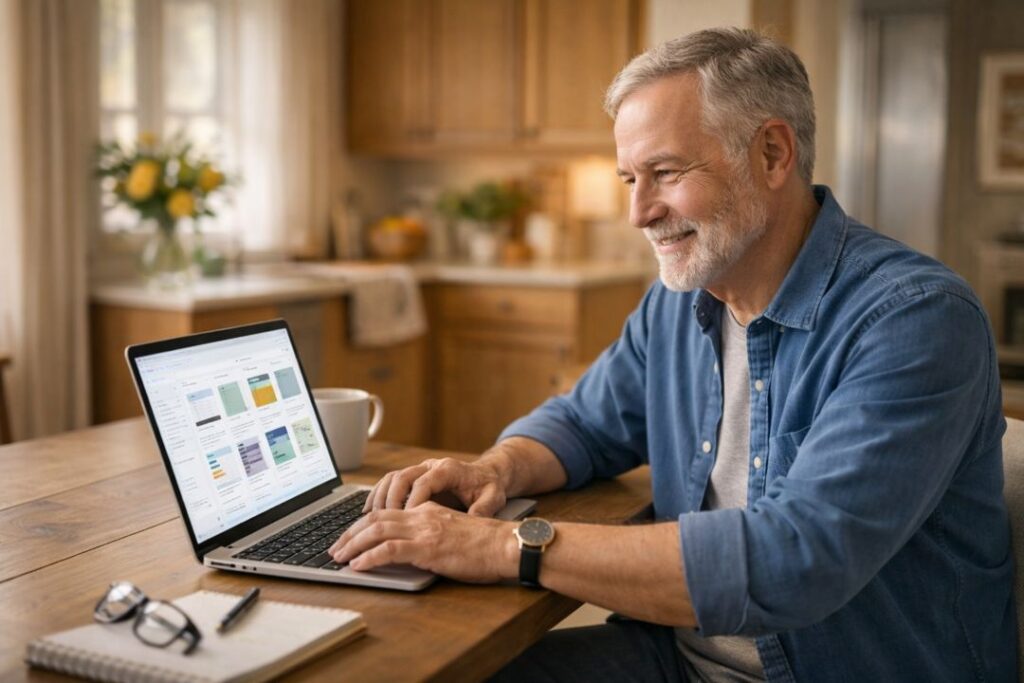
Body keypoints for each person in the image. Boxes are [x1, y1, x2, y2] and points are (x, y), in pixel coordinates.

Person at [329, 28, 1017, 682]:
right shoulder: (680, 301)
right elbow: (584, 422)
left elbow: (795, 560)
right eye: (630, 178)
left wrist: (501, 545)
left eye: (664, 171)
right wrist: (495, 468)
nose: (639, 213)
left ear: (773, 155)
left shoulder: (915, 319)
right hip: (679, 657)